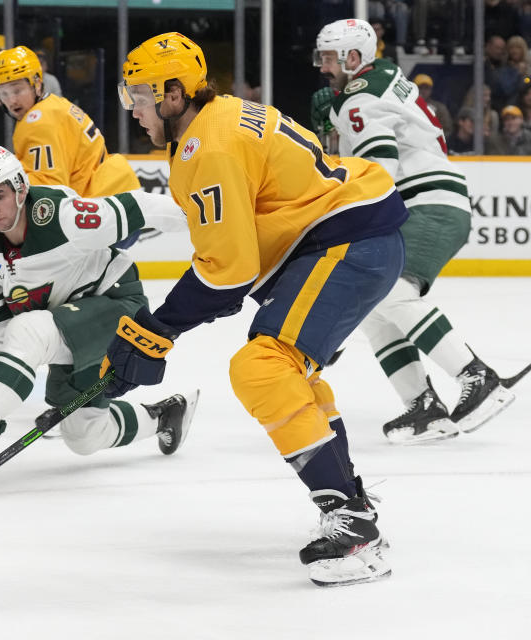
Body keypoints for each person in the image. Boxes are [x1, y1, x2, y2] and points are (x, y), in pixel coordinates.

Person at [112, 32, 408, 587]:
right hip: (346, 239)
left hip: (347, 243)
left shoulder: (209, 146)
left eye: (143, 97)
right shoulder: (219, 120)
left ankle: (354, 523)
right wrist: (155, 332)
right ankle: (349, 501)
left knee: (261, 366)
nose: (136, 109)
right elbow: (231, 259)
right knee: (287, 368)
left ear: (175, 94)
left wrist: (155, 331)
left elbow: (229, 273)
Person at [0, 146, 196, 487]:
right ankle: (165, 415)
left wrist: (217, 224)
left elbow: (141, 207)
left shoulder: (62, 216)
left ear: (20, 188)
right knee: (84, 435)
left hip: (116, 306)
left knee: (29, 327)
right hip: (69, 328)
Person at [313, 18, 521, 444]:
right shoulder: (382, 78)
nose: (322, 66)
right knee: (375, 307)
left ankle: (477, 378)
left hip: (427, 205)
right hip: (430, 203)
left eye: (330, 58)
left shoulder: (355, 100)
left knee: (391, 293)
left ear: (354, 58)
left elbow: (381, 167)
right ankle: (423, 406)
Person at [0, 46, 140, 203]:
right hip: (115, 197)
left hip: (103, 207)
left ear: (37, 84)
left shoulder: (38, 120)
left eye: (17, 90)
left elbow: (50, 190)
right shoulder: (54, 105)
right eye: (4, 94)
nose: (12, 100)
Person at [412, 73, 452, 137]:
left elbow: (447, 130)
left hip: (433, 144)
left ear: (431, 90)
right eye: (420, 87)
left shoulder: (440, 108)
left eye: (426, 88)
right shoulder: (407, 105)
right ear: (413, 88)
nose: (423, 91)